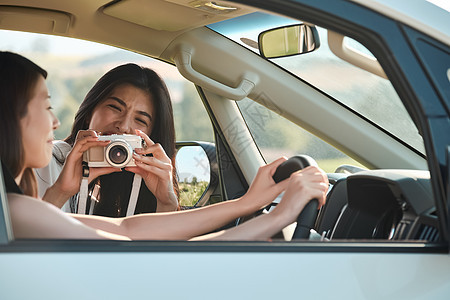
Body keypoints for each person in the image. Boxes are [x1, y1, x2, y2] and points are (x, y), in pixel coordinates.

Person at [0, 51, 328, 241]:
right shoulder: (15, 208)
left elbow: (130, 229)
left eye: (141, 120)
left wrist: (247, 204)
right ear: (11, 119)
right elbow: (142, 252)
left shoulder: (13, 205)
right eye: (45, 106)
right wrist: (278, 215)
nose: (56, 122)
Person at [36, 63, 180, 216]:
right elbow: (21, 234)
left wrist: (166, 203)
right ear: (90, 112)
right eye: (115, 107)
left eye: (140, 120)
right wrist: (60, 192)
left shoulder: (137, 186)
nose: (124, 126)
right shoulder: (45, 162)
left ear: (150, 138)